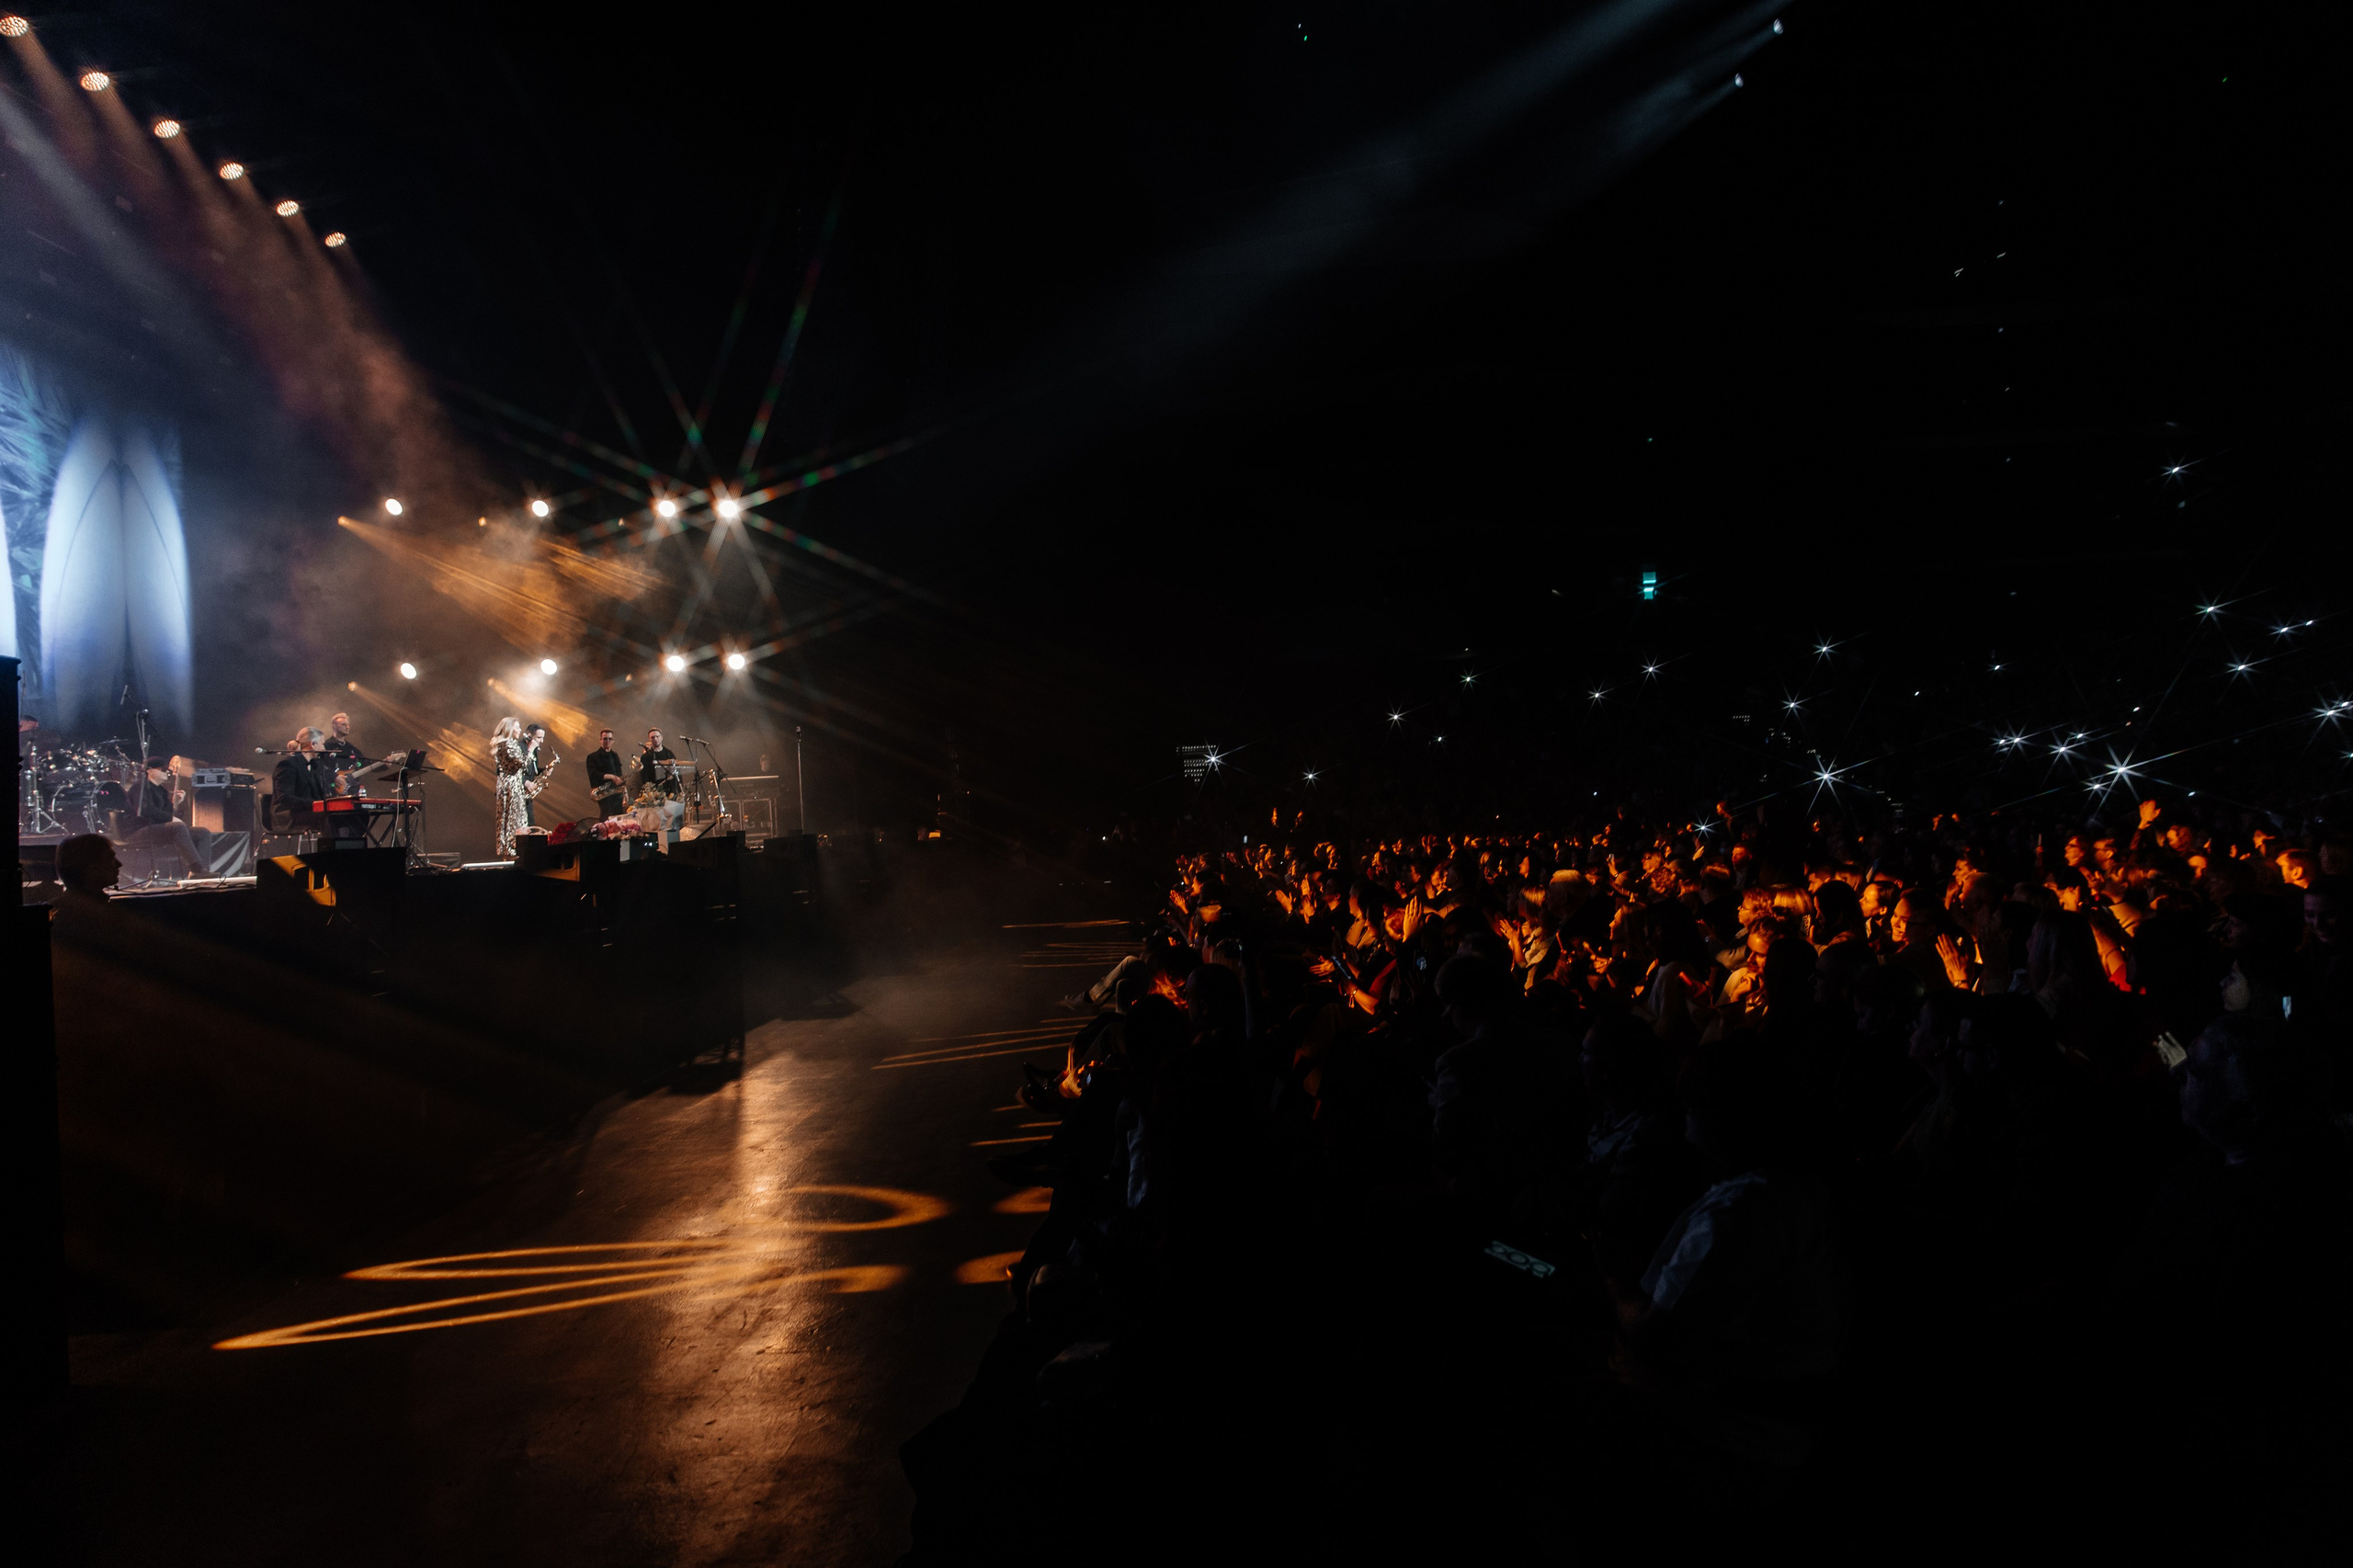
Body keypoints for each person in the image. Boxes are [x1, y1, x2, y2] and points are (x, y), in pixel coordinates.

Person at [125, 756, 211, 881]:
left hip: (156, 829)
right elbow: (145, 811)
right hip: (138, 830)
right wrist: (171, 819)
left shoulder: (162, 791)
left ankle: (201, 873)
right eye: (163, 769)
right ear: (150, 771)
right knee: (177, 827)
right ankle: (198, 869)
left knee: (202, 833)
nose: (167, 772)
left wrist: (176, 803)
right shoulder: (141, 787)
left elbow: (168, 817)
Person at [272, 727, 338, 822]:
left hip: (307, 811)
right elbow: (285, 799)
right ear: (312, 744)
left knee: (347, 814)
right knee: (330, 817)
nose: (324, 748)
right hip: (288, 815)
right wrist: (315, 804)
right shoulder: (288, 764)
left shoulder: (314, 765)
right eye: (322, 744)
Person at [491, 716, 531, 858]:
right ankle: (513, 851)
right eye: (517, 727)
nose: (520, 730)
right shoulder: (508, 744)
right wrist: (530, 749)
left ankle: (508, 851)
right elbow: (523, 764)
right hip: (512, 786)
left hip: (506, 784)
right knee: (515, 818)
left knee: (507, 818)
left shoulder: (503, 744)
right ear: (509, 728)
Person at [640, 727, 684, 831]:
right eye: (652, 737)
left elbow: (677, 772)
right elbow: (644, 778)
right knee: (660, 824)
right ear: (650, 739)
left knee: (674, 822)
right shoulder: (646, 757)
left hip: (671, 792)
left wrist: (680, 789)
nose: (655, 739)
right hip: (656, 794)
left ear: (662, 737)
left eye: (657, 737)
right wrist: (649, 793)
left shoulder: (669, 753)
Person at [585, 728, 627, 819]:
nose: (607, 741)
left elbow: (620, 774)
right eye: (605, 739)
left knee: (619, 817)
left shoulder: (615, 755)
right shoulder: (592, 757)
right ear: (600, 740)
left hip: (617, 793)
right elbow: (593, 774)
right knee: (607, 816)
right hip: (604, 793)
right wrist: (612, 777)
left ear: (613, 741)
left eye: (610, 739)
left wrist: (625, 791)